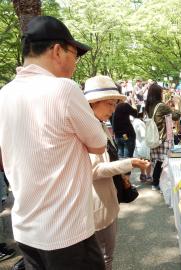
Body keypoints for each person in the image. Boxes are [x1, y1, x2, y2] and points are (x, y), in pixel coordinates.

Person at [0, 16, 107, 270]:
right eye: (74, 54)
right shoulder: (64, 89)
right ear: (57, 50)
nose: (75, 63)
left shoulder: (4, 95)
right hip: (67, 232)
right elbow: (99, 144)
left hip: (26, 230)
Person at [84, 75, 150, 270]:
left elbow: (108, 158)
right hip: (98, 204)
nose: (113, 110)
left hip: (107, 200)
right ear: (93, 103)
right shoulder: (87, 129)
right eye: (110, 104)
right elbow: (94, 170)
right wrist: (129, 164)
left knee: (107, 255)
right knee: (103, 257)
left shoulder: (100, 125)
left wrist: (122, 174)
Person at [145, 84, 181, 190]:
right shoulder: (161, 106)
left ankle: (155, 182)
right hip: (162, 138)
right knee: (165, 162)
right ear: (158, 94)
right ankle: (161, 184)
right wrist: (177, 104)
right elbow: (176, 116)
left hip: (153, 137)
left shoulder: (148, 105)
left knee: (158, 161)